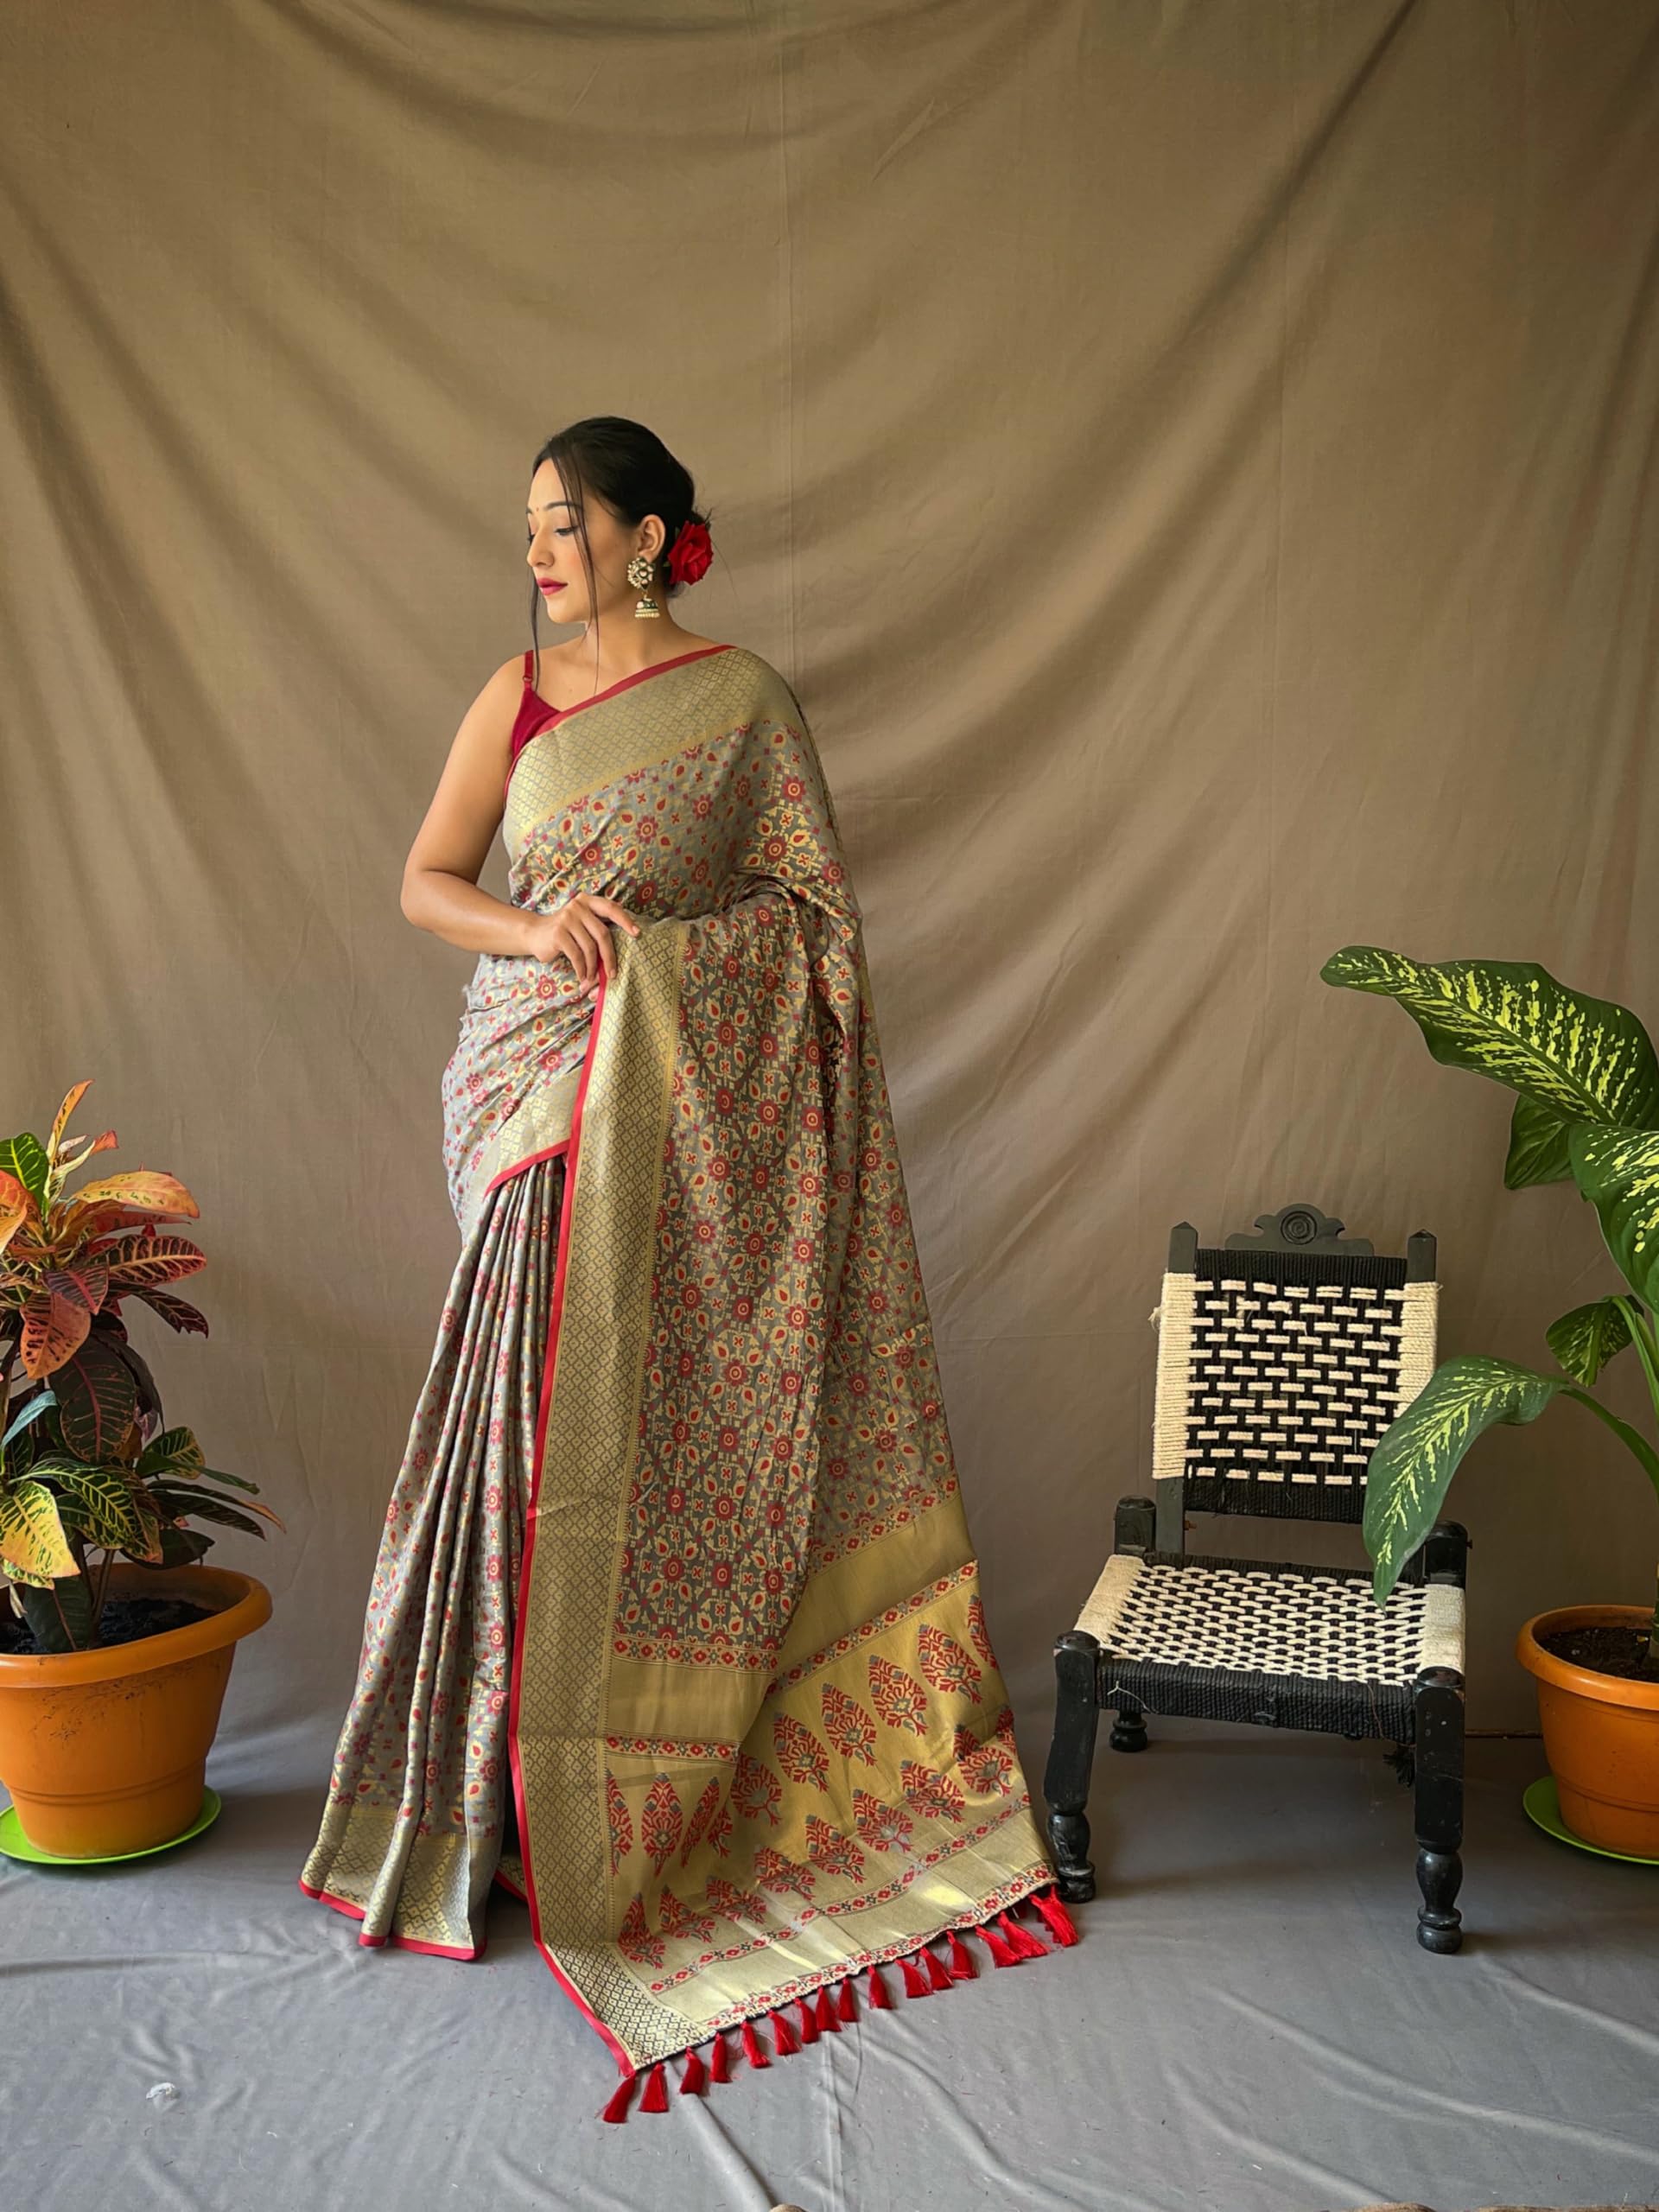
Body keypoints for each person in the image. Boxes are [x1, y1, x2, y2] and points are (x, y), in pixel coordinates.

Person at [298, 416, 1073, 2120]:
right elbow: (428, 879)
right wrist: (547, 932)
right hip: (535, 1100)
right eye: (526, 530)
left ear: (646, 535)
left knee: (632, 1459)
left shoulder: (746, 708)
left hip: (691, 1123)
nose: (539, 552)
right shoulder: (516, 697)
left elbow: (817, 931)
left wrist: (672, 972)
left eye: (560, 523)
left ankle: (638, 1811)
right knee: (512, 1455)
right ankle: (479, 1813)